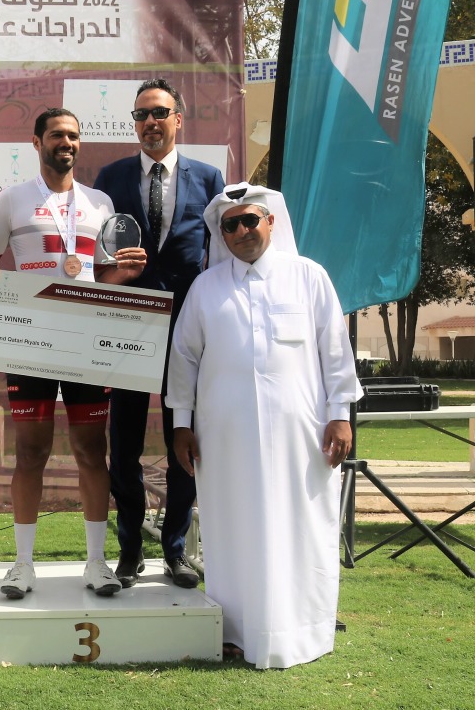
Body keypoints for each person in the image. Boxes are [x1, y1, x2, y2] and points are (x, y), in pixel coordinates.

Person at [166, 182, 360, 668]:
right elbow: (184, 360)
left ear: (271, 221)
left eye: (250, 220)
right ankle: (233, 632)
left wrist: (340, 414)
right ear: (222, 234)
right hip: (224, 437)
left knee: (303, 524)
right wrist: (181, 425)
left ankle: (304, 632)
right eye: (230, 224)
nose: (241, 231)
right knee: (232, 527)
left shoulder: (309, 278)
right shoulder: (206, 288)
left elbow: (336, 353)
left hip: (304, 437)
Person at [0, 109, 147, 598]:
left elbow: (100, 276)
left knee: (93, 452)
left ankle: (96, 563)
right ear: (37, 142)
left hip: (86, 341)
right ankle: (22, 565)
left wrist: (125, 275)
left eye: (73, 135)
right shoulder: (12, 199)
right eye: (56, 135)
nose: (65, 142)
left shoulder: (99, 202)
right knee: (31, 452)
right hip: (30, 340)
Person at [92, 77, 224, 590]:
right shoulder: (111, 176)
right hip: (126, 325)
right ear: (135, 123)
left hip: (187, 331)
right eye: (142, 114)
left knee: (181, 443)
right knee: (122, 444)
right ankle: (129, 548)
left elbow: (221, 254)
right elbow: (98, 255)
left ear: (178, 119)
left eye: (160, 113)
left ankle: (174, 550)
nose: (151, 121)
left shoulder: (209, 178)